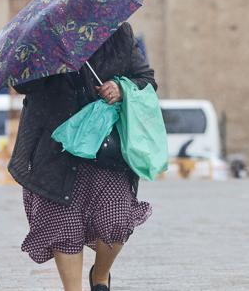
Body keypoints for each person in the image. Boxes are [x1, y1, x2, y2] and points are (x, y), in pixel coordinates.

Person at [9, 22, 157, 291]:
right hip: (53, 147)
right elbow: (22, 85)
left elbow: (146, 79)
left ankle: (100, 276)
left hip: (104, 147)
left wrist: (121, 88)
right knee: (62, 225)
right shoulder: (43, 37)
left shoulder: (117, 32)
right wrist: (44, 56)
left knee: (116, 219)